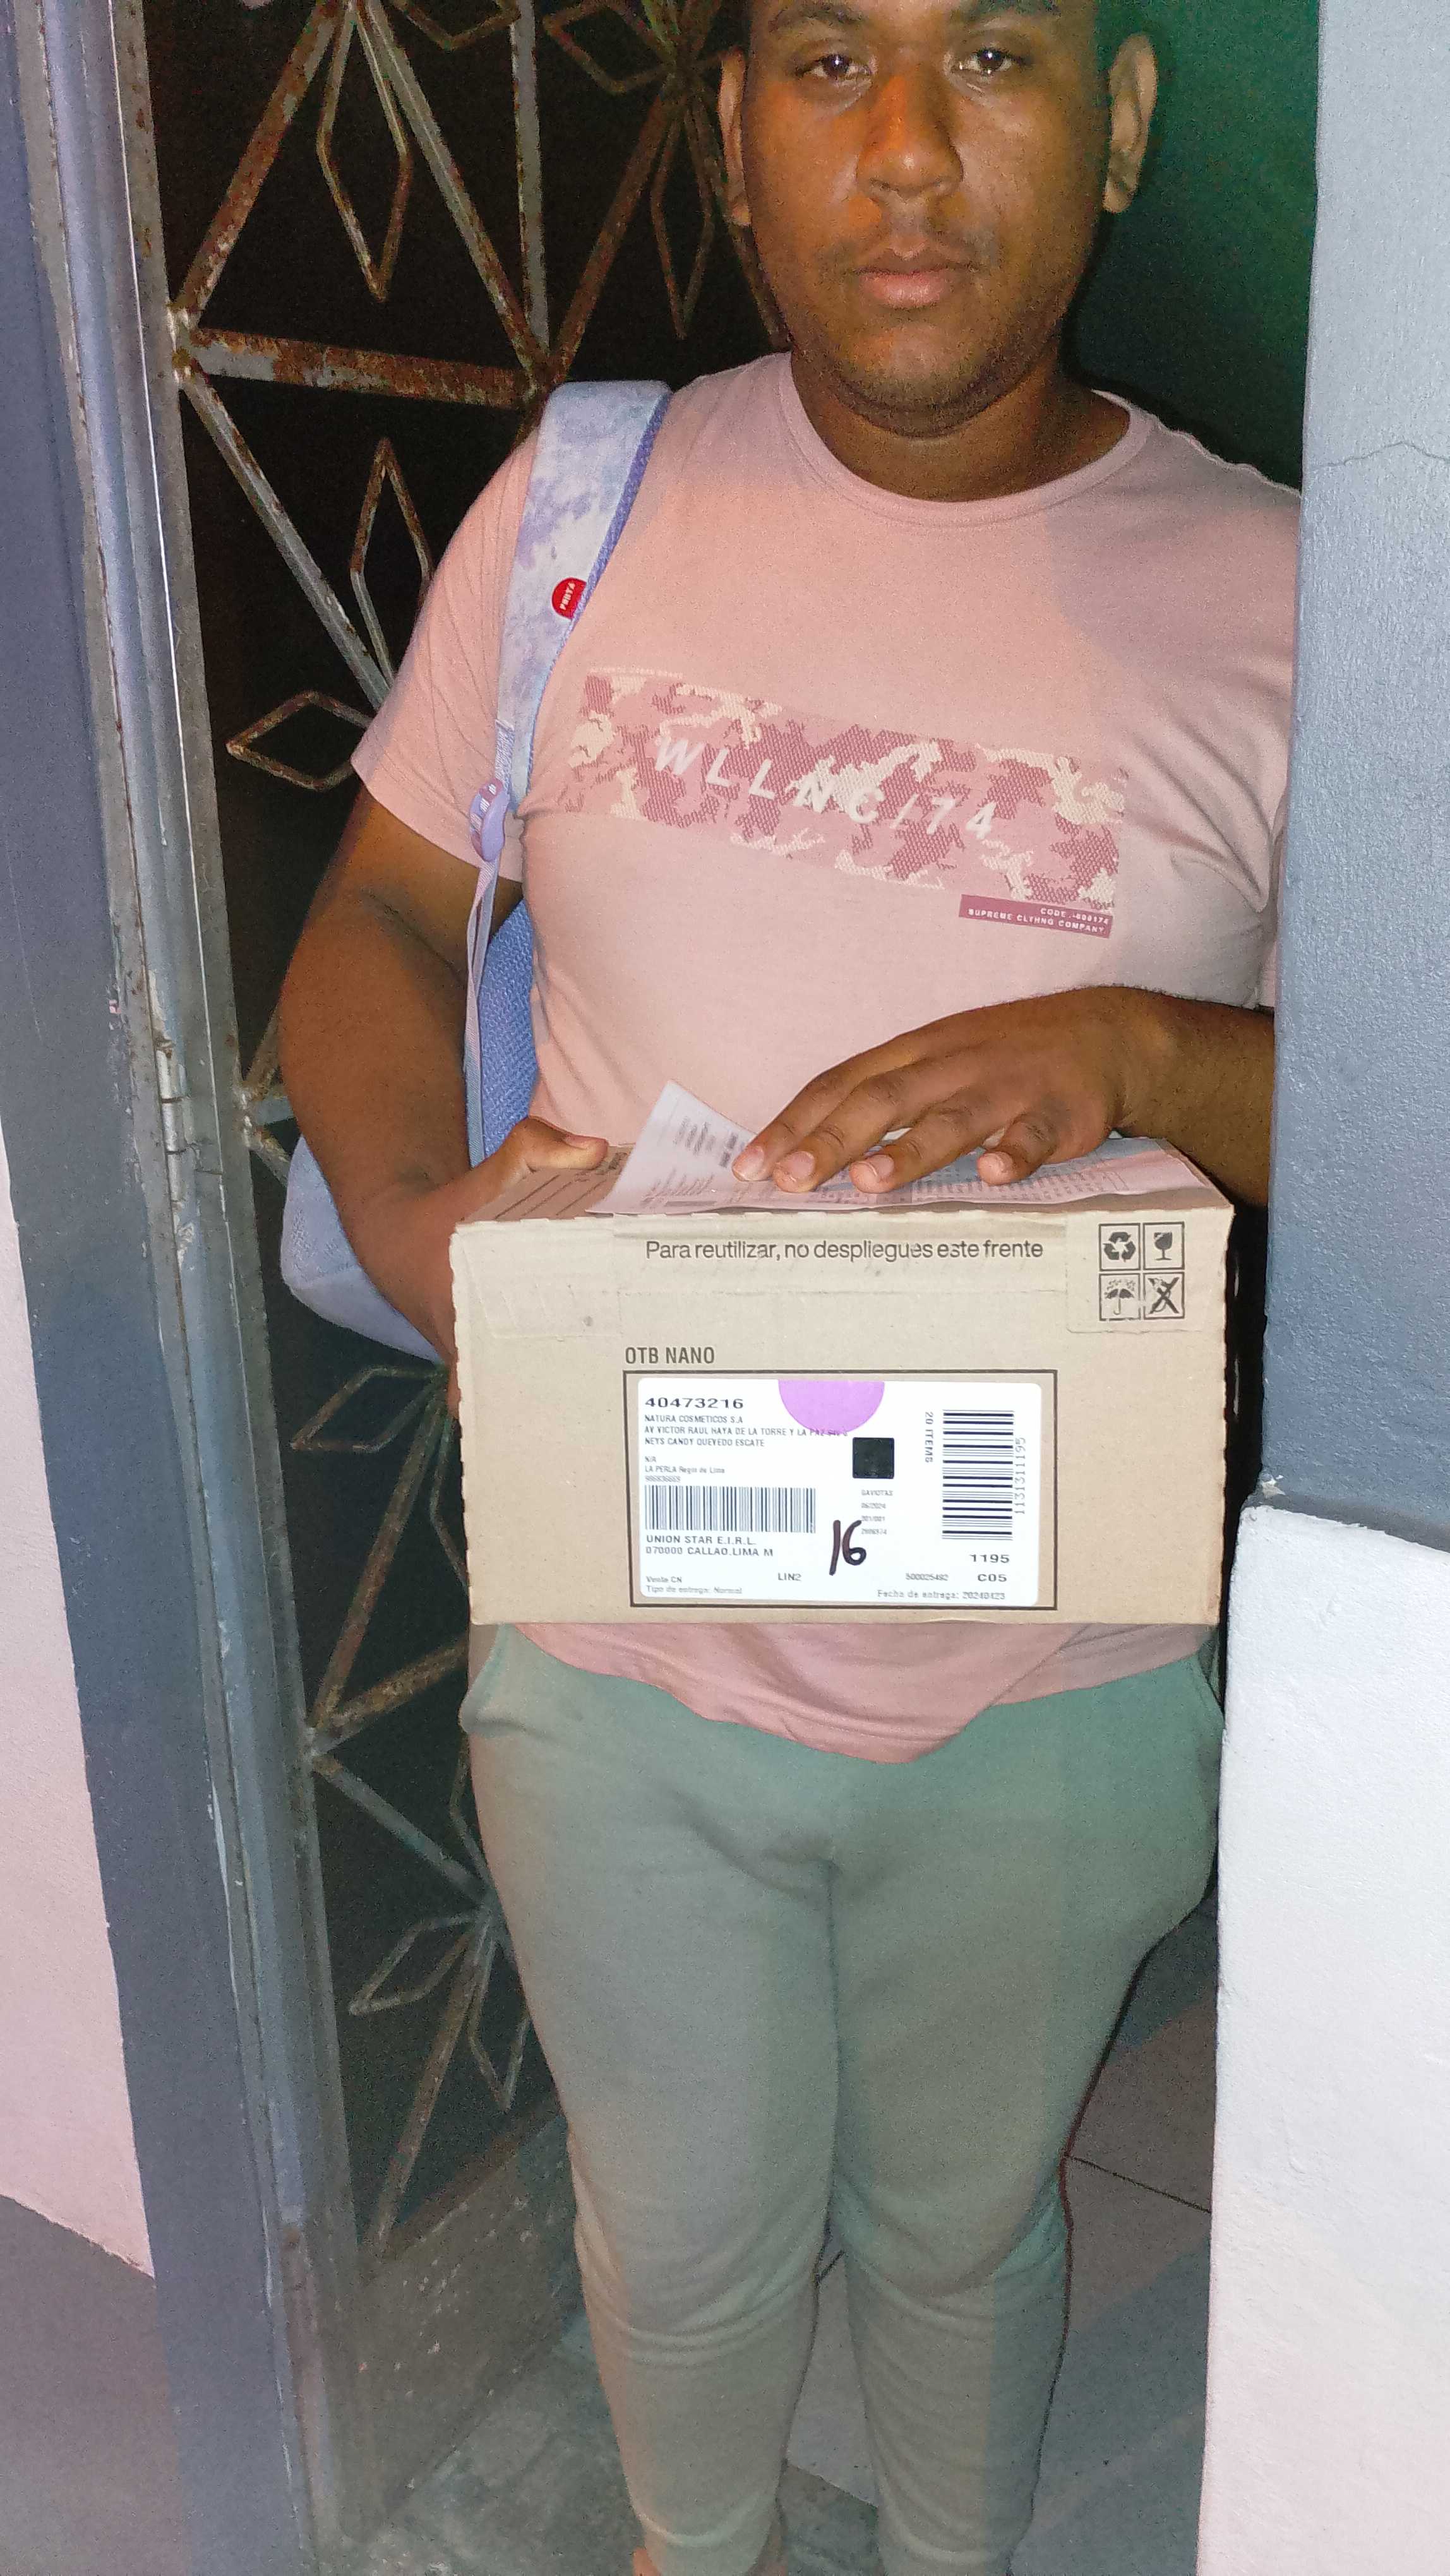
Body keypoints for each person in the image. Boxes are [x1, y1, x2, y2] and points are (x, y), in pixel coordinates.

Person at [279, 0, 1296, 2565]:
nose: (911, 152)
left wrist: (1141, 1048)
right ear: (732, 132)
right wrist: (413, 1236)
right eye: (831, 63)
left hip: (1049, 1681)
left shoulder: (1295, 597)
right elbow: (382, 911)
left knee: (959, 2232)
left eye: (997, 59)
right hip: (618, 1642)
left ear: (1120, 124)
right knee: (686, 2246)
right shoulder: (583, 508)